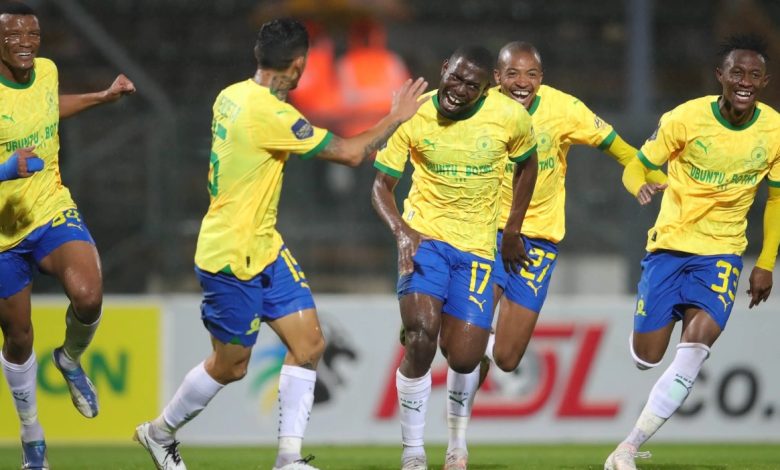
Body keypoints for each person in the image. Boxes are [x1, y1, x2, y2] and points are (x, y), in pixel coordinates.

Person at [133, 18, 426, 470]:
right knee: (231, 366)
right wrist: (395, 117)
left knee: (309, 344)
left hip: (265, 246)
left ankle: (288, 459)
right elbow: (350, 154)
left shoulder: (229, 96)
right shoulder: (269, 114)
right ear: (298, 64)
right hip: (230, 255)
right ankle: (159, 432)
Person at [431, 41, 668, 467]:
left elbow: (615, 144)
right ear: (497, 78)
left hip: (537, 245)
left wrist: (652, 177)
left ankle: (473, 341)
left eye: (532, 74)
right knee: (458, 349)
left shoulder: (565, 109)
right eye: (513, 74)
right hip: (486, 235)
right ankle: (456, 446)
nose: (522, 83)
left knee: (504, 358)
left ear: (541, 77)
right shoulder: (479, 107)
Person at [605, 33, 780, 470]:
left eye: (754, 75)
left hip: (721, 254)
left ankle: (626, 448)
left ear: (765, 81)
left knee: (697, 347)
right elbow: (636, 165)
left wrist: (764, 262)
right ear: (720, 76)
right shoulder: (685, 119)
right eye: (736, 73)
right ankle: (649, 334)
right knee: (647, 358)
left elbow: (777, 199)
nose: (745, 81)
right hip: (669, 248)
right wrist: (639, 183)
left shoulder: (775, 130)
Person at [372, 45, 538, 470]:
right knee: (423, 338)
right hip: (426, 241)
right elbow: (381, 186)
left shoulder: (509, 117)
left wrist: (513, 227)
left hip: (478, 250)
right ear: (443, 68)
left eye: (472, 85)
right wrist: (401, 232)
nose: (459, 90)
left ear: (486, 91)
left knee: (464, 357)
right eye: (456, 77)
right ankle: (412, 453)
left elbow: (528, 165)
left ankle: (457, 444)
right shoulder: (416, 115)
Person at [0, 2, 136, 469]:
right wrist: (4, 169)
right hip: (2, 236)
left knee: (89, 295)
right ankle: (32, 437)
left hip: (50, 210)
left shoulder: (47, 71)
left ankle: (70, 358)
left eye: (33, 35)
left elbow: (44, 110)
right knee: (18, 340)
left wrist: (101, 96)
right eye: (14, 34)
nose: (25, 43)